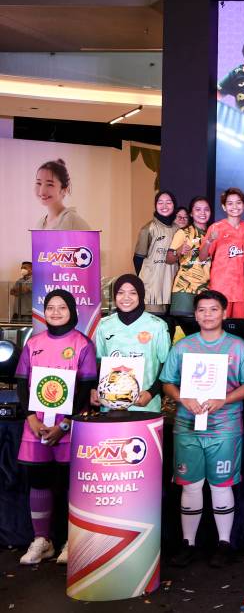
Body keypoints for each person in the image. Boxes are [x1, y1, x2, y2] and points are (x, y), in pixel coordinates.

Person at [160, 290, 244, 568]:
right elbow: (167, 382)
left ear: (224, 313)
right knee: (190, 485)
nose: (207, 315)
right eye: (202, 310)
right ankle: (188, 543)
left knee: (220, 485)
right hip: (187, 426)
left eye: (213, 309)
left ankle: (224, 543)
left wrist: (224, 399)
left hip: (224, 427)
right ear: (195, 314)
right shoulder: (183, 347)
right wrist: (182, 398)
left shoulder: (238, 347)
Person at [14, 290, 96, 565]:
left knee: (71, 483)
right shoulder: (33, 343)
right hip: (36, 426)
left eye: (62, 307)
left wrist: (64, 424)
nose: (56, 312)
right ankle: (42, 541)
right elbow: (22, 384)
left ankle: (72, 541)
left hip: (69, 427)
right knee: (39, 480)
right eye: (51, 307)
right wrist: (32, 419)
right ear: (44, 312)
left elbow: (85, 389)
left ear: (72, 311)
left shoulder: (82, 344)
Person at [93, 275, 170, 413]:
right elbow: (98, 364)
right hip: (110, 405)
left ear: (141, 295)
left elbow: (167, 367)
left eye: (133, 293)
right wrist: (94, 388)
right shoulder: (104, 325)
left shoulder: (157, 325)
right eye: (120, 293)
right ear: (114, 296)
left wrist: (151, 393)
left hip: (145, 406)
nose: (126, 297)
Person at [200, 188, 244, 319]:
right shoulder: (216, 228)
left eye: (238, 203)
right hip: (221, 289)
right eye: (230, 203)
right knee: (219, 325)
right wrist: (209, 241)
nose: (234, 207)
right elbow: (202, 257)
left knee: (240, 327)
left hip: (242, 291)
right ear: (224, 207)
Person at [134, 190, 178, 315]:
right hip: (152, 289)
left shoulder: (178, 229)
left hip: (172, 287)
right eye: (160, 202)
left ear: (174, 205)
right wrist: (147, 279)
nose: (164, 206)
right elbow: (137, 259)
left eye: (168, 202)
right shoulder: (148, 229)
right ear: (155, 205)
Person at [167, 196, 213, 318]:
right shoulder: (183, 232)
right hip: (184, 290)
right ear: (191, 214)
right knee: (182, 328)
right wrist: (178, 251)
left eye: (206, 209)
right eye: (198, 209)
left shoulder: (213, 233)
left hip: (206, 291)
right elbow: (169, 259)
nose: (202, 213)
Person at [34, 159, 91, 231]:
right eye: (39, 183)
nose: (42, 191)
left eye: (50, 184)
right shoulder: (40, 224)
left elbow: (92, 238)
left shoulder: (72, 220)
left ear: (64, 189)